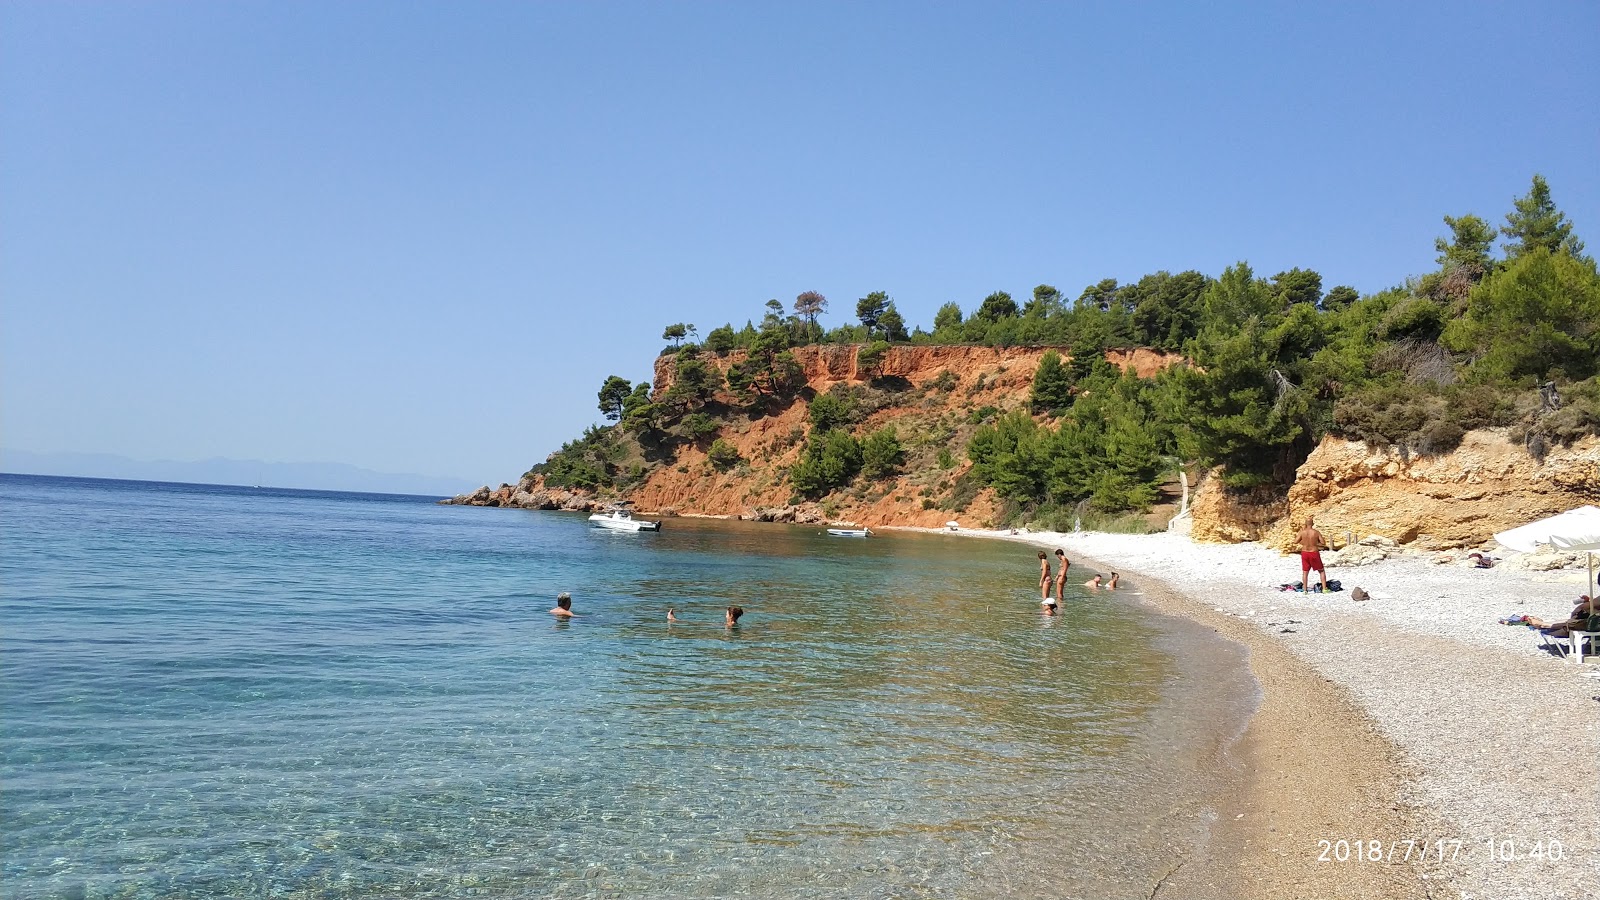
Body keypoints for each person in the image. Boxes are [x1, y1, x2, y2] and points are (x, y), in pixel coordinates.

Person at [1526, 595, 1595, 637]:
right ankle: (1546, 623)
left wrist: (1586, 604)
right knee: (1577, 620)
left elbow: (1574, 615)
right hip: (1592, 624)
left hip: (1586, 627)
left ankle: (1544, 624)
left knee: (1574, 622)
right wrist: (1588, 601)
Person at [1297, 517, 1329, 593]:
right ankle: (1324, 589)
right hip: (1314, 552)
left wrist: (1303, 542)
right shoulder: (1316, 532)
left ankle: (1305, 590)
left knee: (1305, 572)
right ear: (1313, 524)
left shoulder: (1302, 532)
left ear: (1305, 524)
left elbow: (1295, 541)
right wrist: (1315, 543)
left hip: (1304, 552)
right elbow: (1323, 542)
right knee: (1321, 571)